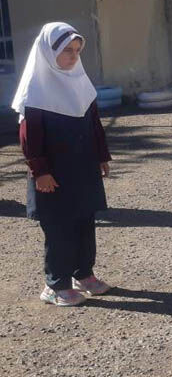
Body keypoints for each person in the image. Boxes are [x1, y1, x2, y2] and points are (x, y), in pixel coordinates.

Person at [13, 23, 112, 306]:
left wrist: (101, 156)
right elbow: (29, 138)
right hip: (53, 175)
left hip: (82, 169)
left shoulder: (80, 82)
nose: (72, 56)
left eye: (77, 50)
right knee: (59, 229)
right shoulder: (35, 90)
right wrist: (40, 171)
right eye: (66, 50)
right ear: (48, 51)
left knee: (84, 222)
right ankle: (55, 284)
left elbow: (94, 125)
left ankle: (84, 274)